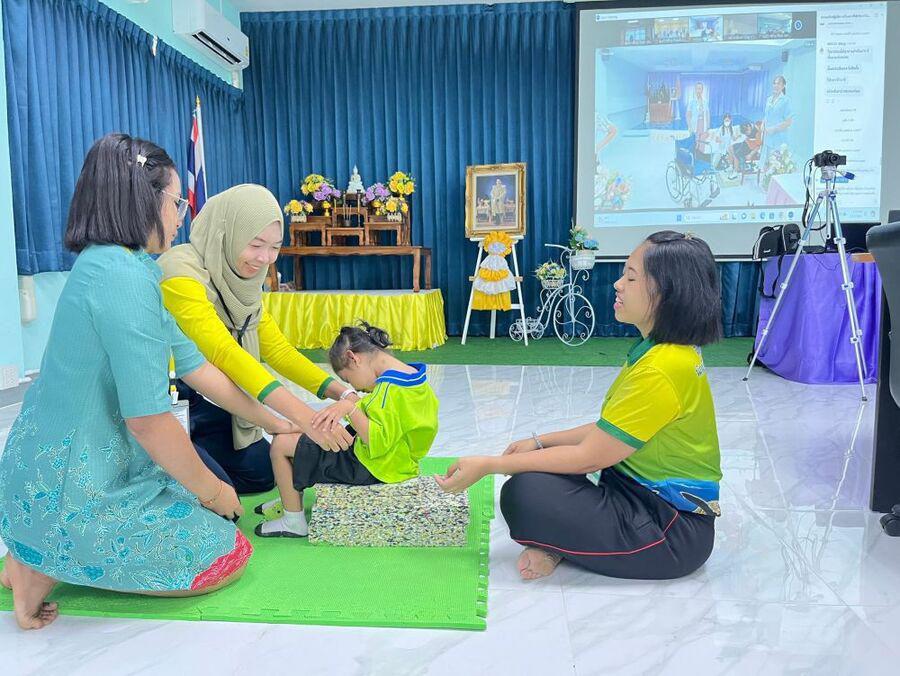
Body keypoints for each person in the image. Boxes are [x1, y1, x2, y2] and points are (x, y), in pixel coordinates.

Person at [0, 134, 300, 630]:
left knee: (207, 499)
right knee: (227, 553)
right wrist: (212, 492)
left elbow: (199, 369)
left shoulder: (128, 266)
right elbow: (149, 422)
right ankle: (40, 564)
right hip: (73, 481)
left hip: (58, 466)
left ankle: (36, 544)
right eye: (177, 202)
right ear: (143, 200)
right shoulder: (122, 278)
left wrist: (276, 422)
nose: (182, 216)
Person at [438, 231, 722, 582]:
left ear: (666, 293)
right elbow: (612, 431)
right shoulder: (660, 351)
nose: (618, 284)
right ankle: (563, 541)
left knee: (524, 494)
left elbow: (590, 457)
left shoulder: (662, 367)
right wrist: (540, 441)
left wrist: (489, 465)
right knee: (537, 470)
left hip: (670, 531)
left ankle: (557, 545)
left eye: (632, 278)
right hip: (631, 489)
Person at [158, 185, 358, 495]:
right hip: (167, 401)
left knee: (261, 473)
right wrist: (300, 419)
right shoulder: (179, 272)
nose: (265, 258)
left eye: (274, 247)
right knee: (215, 491)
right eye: (255, 245)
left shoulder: (243, 282)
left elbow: (277, 350)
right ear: (227, 234)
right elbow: (223, 351)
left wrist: (344, 393)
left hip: (209, 400)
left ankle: (192, 455)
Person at [255, 323, 439, 537]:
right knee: (299, 437)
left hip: (374, 468)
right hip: (397, 463)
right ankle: (290, 497)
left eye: (348, 379)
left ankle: (293, 520)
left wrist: (349, 408)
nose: (356, 388)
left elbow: (378, 443)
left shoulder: (389, 390)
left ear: (353, 358)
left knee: (280, 445)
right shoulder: (414, 378)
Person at [761, 75, 793, 164]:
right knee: (766, 163)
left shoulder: (786, 101)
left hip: (779, 138)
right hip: (767, 137)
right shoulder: (769, 99)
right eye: (774, 83)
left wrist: (774, 129)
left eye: (778, 84)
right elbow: (767, 115)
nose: (776, 86)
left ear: (783, 86)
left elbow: (788, 122)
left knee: (776, 164)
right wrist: (763, 123)